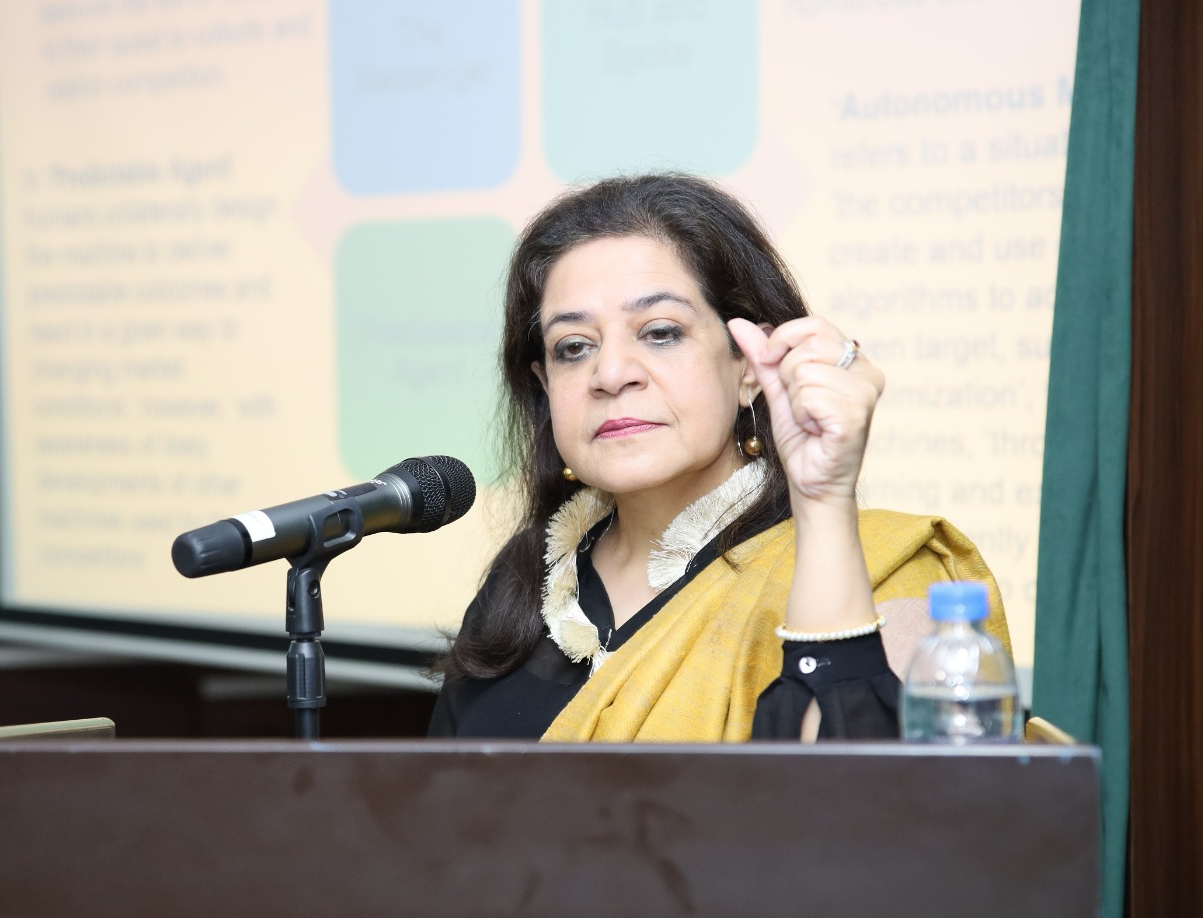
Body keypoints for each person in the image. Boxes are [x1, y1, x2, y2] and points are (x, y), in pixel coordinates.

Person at [428, 173, 1007, 743]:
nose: (610, 374)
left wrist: (823, 504)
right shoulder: (524, 582)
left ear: (749, 363)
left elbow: (860, 792)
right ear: (545, 384)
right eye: (573, 347)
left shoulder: (886, 571)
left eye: (660, 332)